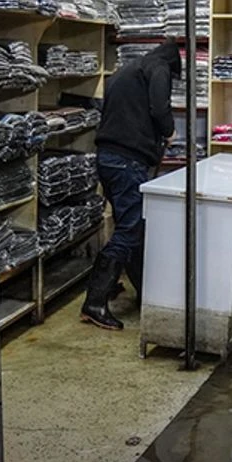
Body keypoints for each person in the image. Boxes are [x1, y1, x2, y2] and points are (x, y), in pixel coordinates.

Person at [80, 40, 182, 331]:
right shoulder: (159, 68)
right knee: (131, 227)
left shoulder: (128, 70)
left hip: (108, 158)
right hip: (128, 162)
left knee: (133, 225)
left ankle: (138, 288)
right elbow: (159, 106)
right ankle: (95, 302)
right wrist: (169, 131)